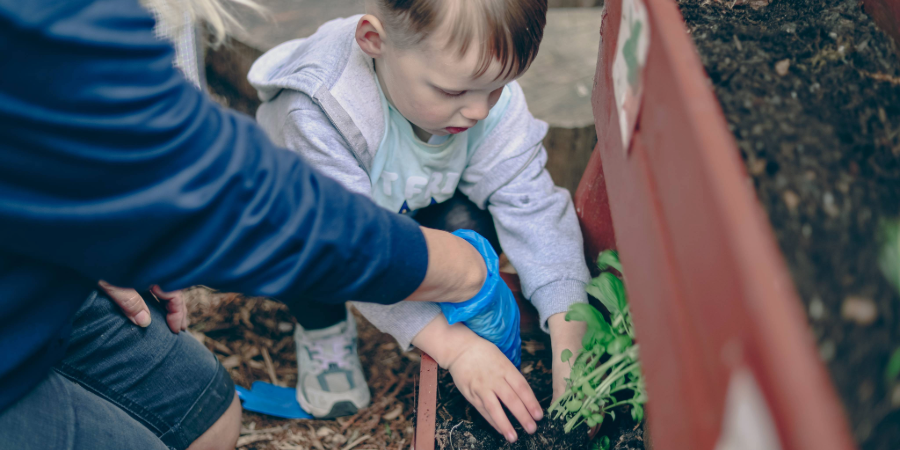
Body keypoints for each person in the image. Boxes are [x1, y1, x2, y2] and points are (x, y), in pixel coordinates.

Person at [0, 0, 523, 449]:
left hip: (31, 274)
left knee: (210, 418)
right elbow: (228, 206)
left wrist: (86, 235)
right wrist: (460, 271)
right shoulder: (42, 19)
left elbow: (156, 154)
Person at [247, 0, 592, 441]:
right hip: (309, 225)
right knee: (299, 252)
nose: (479, 111)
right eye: (453, 93)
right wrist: (456, 349)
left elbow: (532, 202)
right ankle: (323, 329)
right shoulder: (320, 114)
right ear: (375, 41)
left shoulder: (473, 77)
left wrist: (570, 330)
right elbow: (350, 251)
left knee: (470, 221)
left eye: (499, 87)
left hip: (404, 205)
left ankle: (436, 305)